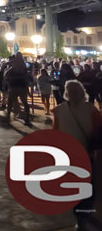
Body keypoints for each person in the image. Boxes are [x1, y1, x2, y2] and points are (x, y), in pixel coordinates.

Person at [53, 80, 102, 230]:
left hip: (68, 154)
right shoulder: (92, 110)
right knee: (88, 186)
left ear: (66, 93)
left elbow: (55, 133)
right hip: (87, 152)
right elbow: (98, 133)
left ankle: (79, 216)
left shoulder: (59, 110)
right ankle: (84, 214)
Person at [5, 52, 31, 125]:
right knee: (25, 103)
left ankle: (8, 117)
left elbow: (6, 73)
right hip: (22, 86)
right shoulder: (24, 66)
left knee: (10, 102)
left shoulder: (14, 64)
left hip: (14, 86)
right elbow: (27, 77)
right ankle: (27, 119)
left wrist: (8, 80)